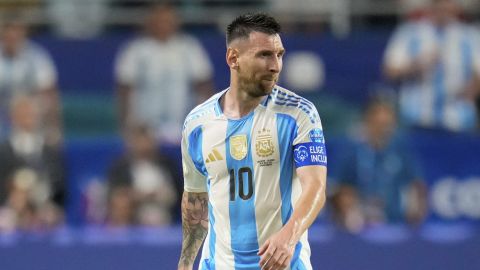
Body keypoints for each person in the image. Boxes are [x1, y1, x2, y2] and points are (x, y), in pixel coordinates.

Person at [178, 13, 327, 270]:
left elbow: (315, 187)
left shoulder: (299, 114)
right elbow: (196, 201)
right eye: (265, 55)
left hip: (284, 264)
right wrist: (185, 263)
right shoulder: (197, 124)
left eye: (279, 55)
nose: (276, 66)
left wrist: (288, 237)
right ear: (233, 58)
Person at [115, 3, 214, 145]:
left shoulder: (190, 47)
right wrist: (126, 128)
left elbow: (204, 87)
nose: (163, 24)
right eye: (158, 19)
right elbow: (124, 91)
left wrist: (204, 124)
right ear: (149, 21)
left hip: (183, 125)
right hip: (144, 130)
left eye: (167, 19)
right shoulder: (135, 50)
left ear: (176, 21)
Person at [330, 98, 427, 232]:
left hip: (397, 224)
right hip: (361, 224)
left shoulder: (401, 151)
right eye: (378, 124)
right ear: (367, 122)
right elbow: (340, 188)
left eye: (387, 125)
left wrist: (415, 212)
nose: (383, 130)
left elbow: (417, 186)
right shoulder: (352, 151)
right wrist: (349, 211)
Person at [383, 0, 480, 132]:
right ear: (431, 5)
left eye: (448, 3)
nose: (444, 8)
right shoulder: (408, 33)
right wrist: (416, 65)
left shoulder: (470, 35)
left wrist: (472, 88)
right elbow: (390, 71)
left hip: (460, 119)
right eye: (440, 4)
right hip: (416, 118)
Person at [0, 15, 62, 145]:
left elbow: (49, 95)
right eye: (8, 31)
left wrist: (54, 130)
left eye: (16, 31)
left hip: (30, 119)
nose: (12, 36)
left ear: (23, 33)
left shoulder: (37, 57)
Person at [106, 124, 179, 227]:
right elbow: (115, 194)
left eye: (147, 141)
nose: (144, 146)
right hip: (132, 218)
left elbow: (179, 194)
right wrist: (138, 196)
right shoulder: (120, 167)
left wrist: (159, 196)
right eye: (139, 142)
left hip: (163, 217)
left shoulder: (167, 165)